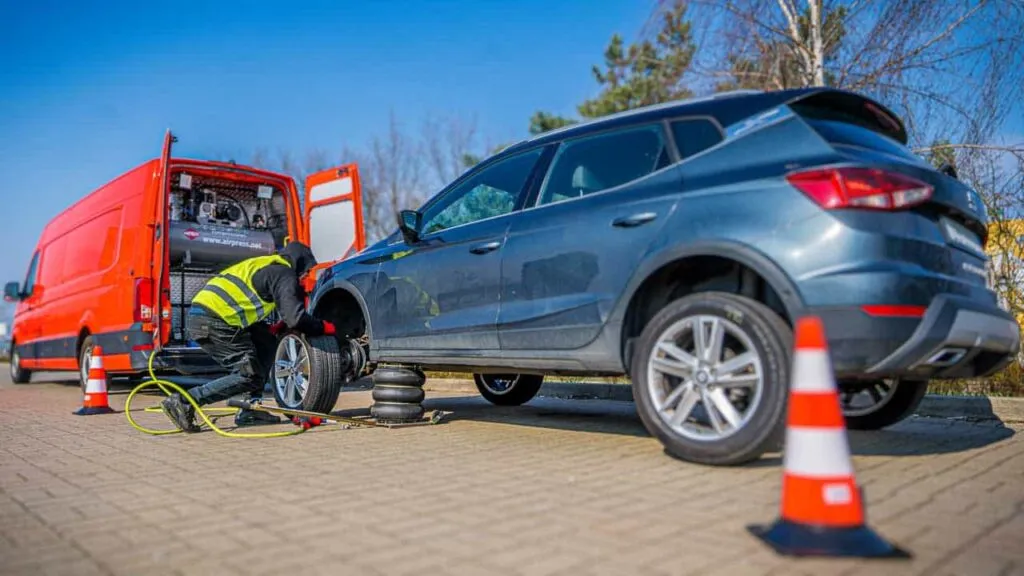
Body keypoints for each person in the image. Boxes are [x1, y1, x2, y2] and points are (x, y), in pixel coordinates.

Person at [161, 241, 336, 432]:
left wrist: (274, 328)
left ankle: (250, 409)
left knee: (267, 342)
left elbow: (246, 302)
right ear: (300, 264)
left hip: (208, 316)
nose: (304, 277)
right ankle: (185, 401)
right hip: (215, 321)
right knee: (247, 376)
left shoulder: (266, 265)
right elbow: (296, 318)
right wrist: (322, 327)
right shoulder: (284, 274)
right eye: (305, 272)